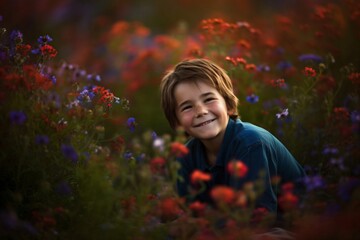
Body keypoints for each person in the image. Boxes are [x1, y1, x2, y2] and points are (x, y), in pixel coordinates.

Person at [160, 58, 306, 216]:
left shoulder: (251, 143)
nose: (201, 111)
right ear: (177, 122)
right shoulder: (185, 156)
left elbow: (256, 219)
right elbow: (189, 216)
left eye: (209, 99)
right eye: (187, 107)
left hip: (301, 224)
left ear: (228, 104)